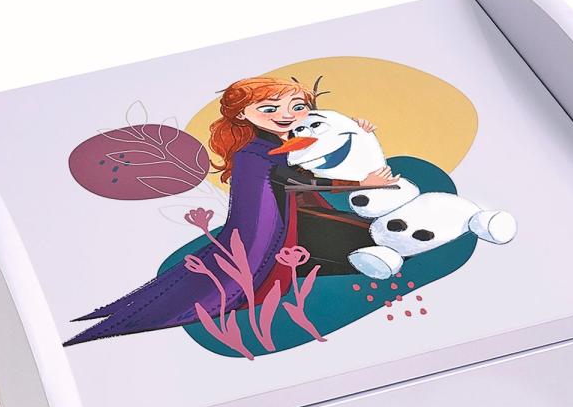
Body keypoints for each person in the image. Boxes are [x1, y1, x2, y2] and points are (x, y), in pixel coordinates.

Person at [66, 75, 394, 343]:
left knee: (358, 238)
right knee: (330, 250)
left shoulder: (285, 140)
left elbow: (320, 146)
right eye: (269, 108)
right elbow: (298, 180)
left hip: (294, 216)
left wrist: (357, 129)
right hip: (271, 229)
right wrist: (359, 184)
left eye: (298, 107)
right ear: (242, 114)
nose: (287, 115)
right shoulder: (256, 151)